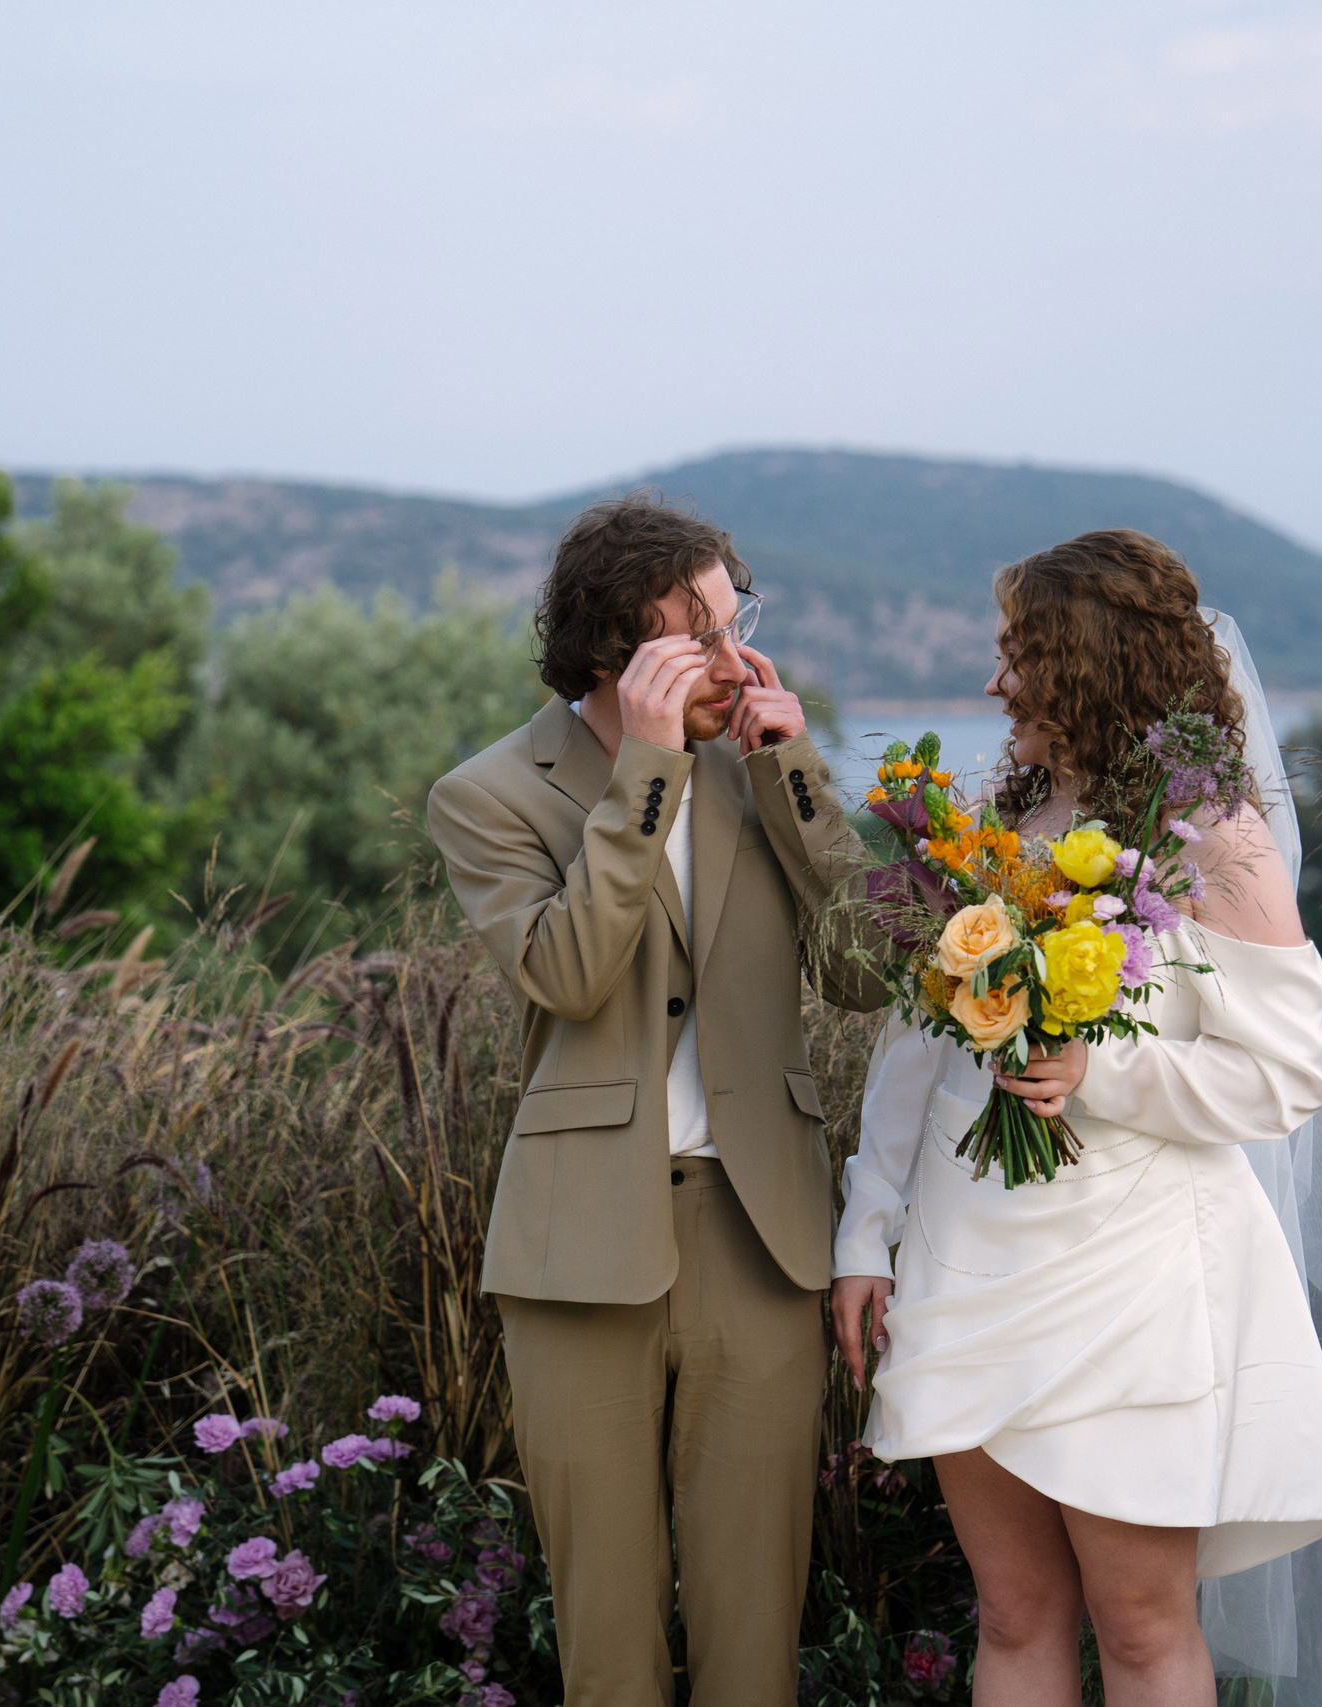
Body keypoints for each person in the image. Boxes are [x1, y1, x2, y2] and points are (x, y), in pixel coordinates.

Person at [828, 530, 1322, 1707]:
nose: (995, 684)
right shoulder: (996, 822)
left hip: (1129, 1280)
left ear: (1084, 664)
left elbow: (1287, 1075)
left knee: (1139, 1626)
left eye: (1017, 654)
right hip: (966, 1256)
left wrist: (1100, 1073)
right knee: (1013, 1611)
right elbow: (913, 1049)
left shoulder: (1213, 841)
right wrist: (864, 1230)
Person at [428, 494, 887, 1707]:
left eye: (738, 628)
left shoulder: (760, 769)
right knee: (611, 1643)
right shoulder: (489, 796)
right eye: (700, 640)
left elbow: (863, 972)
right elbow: (570, 973)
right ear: (611, 653)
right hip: (580, 1246)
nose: (735, 663)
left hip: (760, 1236)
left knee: (753, 1639)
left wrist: (788, 772)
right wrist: (648, 773)